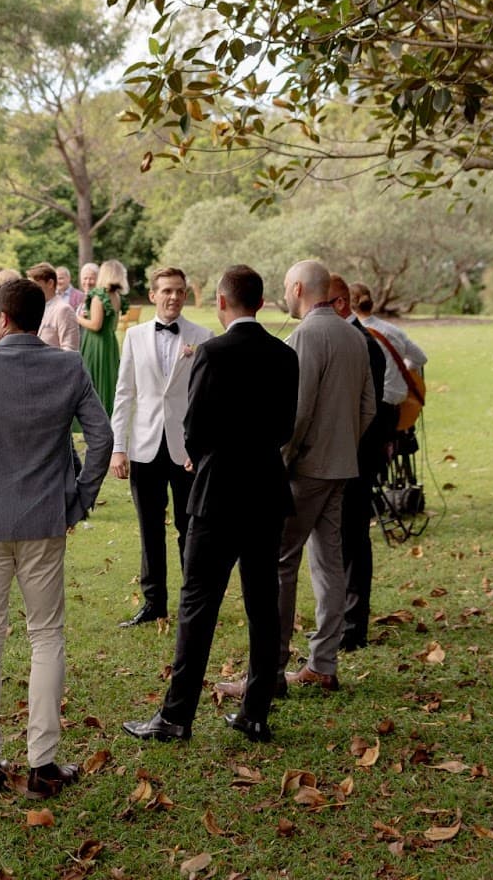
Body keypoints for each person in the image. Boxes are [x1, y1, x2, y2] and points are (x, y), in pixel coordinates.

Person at [0, 278, 112, 800]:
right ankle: (42, 764)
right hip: (45, 518)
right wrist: (79, 498)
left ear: (2, 318)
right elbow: (102, 436)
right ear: (37, 317)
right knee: (46, 635)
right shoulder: (68, 366)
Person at [124, 265, 298, 745]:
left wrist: (205, 458)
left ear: (222, 303)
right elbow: (286, 427)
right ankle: (255, 712)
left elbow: (194, 429)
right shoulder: (285, 355)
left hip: (217, 493)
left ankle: (177, 716)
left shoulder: (212, 353)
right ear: (260, 304)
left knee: (198, 604)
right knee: (264, 604)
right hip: (266, 491)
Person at [263, 259, 375, 694]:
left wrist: (282, 462)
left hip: (305, 468)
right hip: (341, 465)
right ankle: (323, 662)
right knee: (329, 562)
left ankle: (272, 667)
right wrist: (342, 443)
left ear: (296, 288)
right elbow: (368, 406)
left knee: (281, 561)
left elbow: (298, 410)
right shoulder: (353, 334)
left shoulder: (306, 336)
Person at [111, 266, 212, 625]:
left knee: (191, 528)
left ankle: (194, 601)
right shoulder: (135, 336)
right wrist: (118, 448)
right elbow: (124, 394)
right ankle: (154, 605)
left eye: (180, 291)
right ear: (153, 295)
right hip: (145, 447)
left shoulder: (204, 336)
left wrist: (203, 448)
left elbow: (209, 400)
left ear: (186, 296)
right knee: (150, 529)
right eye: (167, 290)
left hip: (187, 451)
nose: (173, 297)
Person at [325, 274, 394, 653]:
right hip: (336, 454)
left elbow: (365, 410)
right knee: (337, 542)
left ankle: (354, 625)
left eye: (326, 303)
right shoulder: (346, 339)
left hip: (354, 456)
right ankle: (339, 620)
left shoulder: (365, 345)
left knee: (352, 538)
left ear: (341, 304)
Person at [77, 258, 126, 416]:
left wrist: (76, 317)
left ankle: (94, 418)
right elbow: (112, 323)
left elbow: (95, 325)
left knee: (93, 381)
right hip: (109, 342)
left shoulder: (99, 296)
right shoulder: (116, 296)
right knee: (107, 380)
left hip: (95, 343)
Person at [27, 263, 80, 351]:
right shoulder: (31, 309)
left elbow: (70, 350)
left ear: (50, 283)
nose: (30, 289)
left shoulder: (63, 310)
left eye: (35, 285)